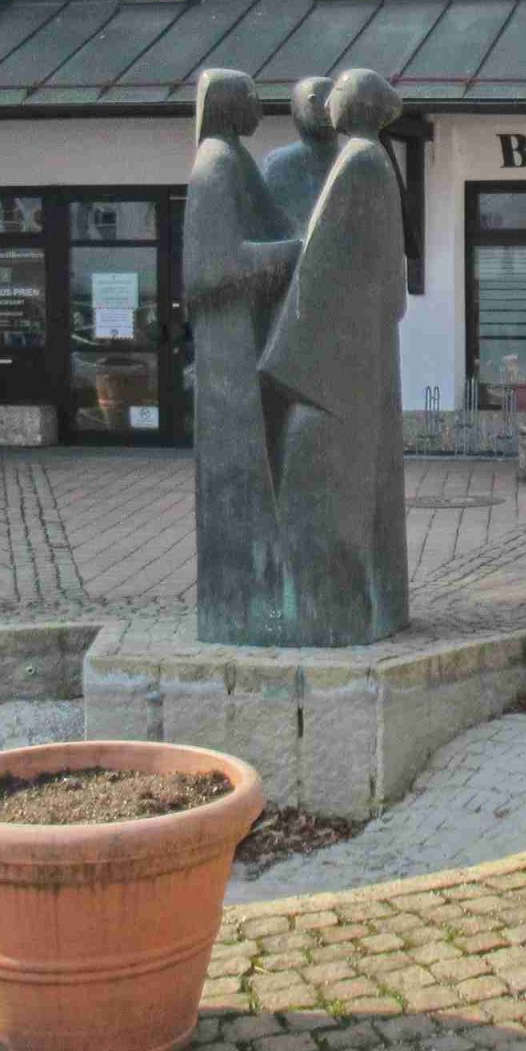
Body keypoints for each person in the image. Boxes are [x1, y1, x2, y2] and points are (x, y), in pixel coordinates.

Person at [258, 69, 410, 645]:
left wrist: (284, 358)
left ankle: (330, 609)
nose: (328, 103)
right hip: (353, 355)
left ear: (354, 105)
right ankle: (349, 604)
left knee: (316, 479)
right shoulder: (372, 161)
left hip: (332, 369)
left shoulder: (358, 163)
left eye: (337, 93)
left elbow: (320, 271)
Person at [184, 70, 304, 645]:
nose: (261, 106)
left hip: (247, 341)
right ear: (232, 104)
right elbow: (208, 271)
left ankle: (264, 599)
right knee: (238, 476)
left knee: (260, 478)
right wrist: (289, 254)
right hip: (229, 349)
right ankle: (237, 603)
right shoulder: (215, 164)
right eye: (253, 96)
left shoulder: (236, 161)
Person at [262, 75, 338, 230]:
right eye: (313, 101)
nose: (325, 108)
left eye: (331, 100)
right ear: (296, 111)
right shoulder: (279, 164)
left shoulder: (355, 159)